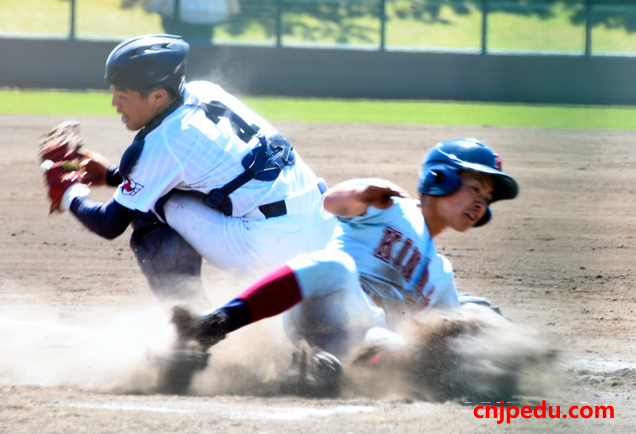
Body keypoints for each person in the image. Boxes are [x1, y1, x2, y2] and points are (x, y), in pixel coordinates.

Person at [164, 137, 519, 395]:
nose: (480, 203)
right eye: (475, 188)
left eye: (486, 199)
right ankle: (212, 325)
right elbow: (332, 202)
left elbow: (444, 339)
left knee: (410, 346)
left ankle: (321, 374)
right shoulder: (392, 207)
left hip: (368, 343)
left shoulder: (441, 274)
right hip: (328, 306)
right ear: (441, 179)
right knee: (336, 264)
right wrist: (363, 193)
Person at [47, 34, 336, 310]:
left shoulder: (167, 142)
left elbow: (110, 224)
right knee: (156, 193)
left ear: (158, 95)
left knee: (150, 207)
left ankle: (191, 328)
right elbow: (205, 165)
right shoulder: (206, 91)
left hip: (275, 246)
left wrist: (70, 193)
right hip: (320, 222)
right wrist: (112, 175)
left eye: (122, 95)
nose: (114, 103)